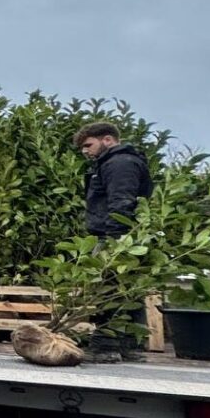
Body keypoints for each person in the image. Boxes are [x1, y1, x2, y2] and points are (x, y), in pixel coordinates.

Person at [77, 121, 154, 361]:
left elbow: (122, 202)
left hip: (116, 237)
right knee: (127, 290)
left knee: (106, 287)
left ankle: (106, 346)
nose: (85, 151)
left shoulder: (119, 163)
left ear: (107, 140)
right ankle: (129, 346)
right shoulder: (116, 162)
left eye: (88, 145)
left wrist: (114, 241)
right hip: (126, 237)